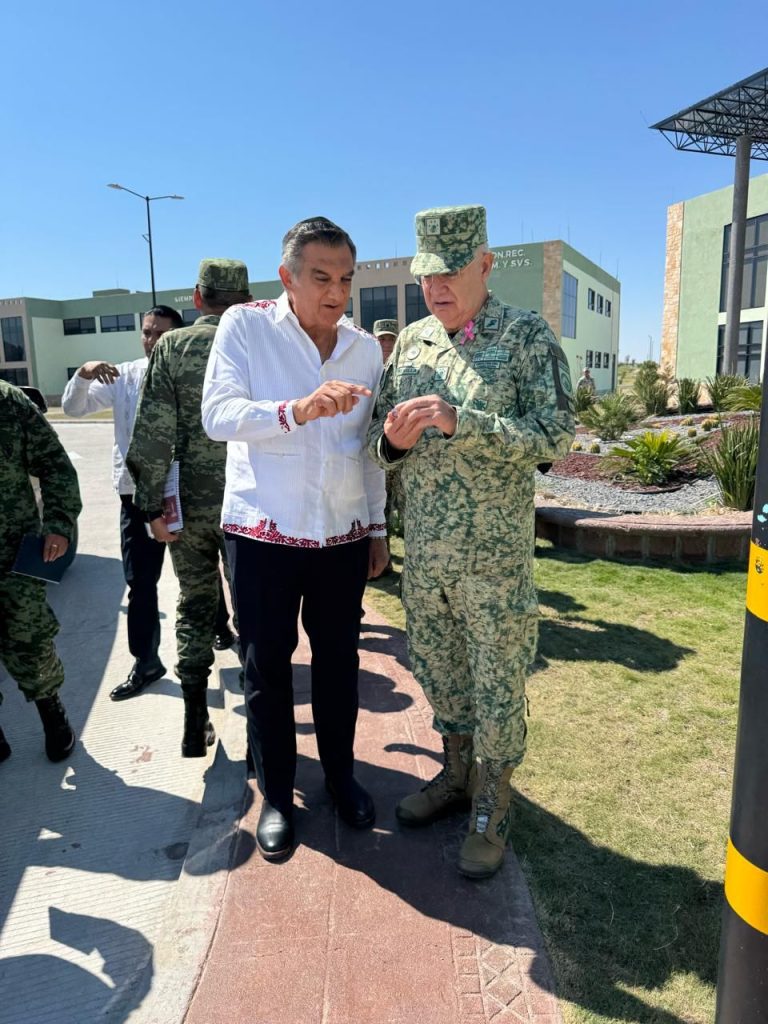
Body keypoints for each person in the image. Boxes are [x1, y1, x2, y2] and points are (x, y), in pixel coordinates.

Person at [368, 205, 575, 879]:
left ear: (484, 264)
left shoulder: (524, 336)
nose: (436, 288)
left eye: (450, 272)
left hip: (493, 564)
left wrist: (467, 422)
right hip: (426, 562)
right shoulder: (411, 343)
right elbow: (376, 443)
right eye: (426, 276)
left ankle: (493, 805)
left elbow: (555, 436)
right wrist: (393, 443)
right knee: (440, 672)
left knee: (497, 685)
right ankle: (456, 776)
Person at [202, 216, 388, 861]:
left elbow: (367, 450)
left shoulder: (364, 350)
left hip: (340, 534)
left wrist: (377, 527)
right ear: (287, 276)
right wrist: (297, 410)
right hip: (263, 534)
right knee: (266, 668)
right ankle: (278, 796)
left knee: (339, 665)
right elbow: (217, 415)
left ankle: (341, 777)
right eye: (320, 277)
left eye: (345, 279)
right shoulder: (246, 326)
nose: (335, 293)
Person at [62, 306, 236, 700]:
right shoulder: (124, 375)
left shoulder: (198, 371)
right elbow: (74, 408)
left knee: (203, 567)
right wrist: (84, 374)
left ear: (175, 336)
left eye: (159, 333)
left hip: (189, 494)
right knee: (140, 583)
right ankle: (146, 661)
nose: (151, 340)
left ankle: (220, 627)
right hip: (138, 496)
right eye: (146, 332)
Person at [127, 260, 252, 758]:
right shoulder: (259, 341)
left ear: (198, 298)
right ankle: (263, 737)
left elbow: (153, 433)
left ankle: (194, 719)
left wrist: (151, 507)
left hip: (191, 510)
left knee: (195, 606)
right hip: (251, 507)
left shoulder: (172, 347)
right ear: (246, 299)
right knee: (255, 611)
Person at [0, 380, 82, 762]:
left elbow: (54, 464)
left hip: (13, 553)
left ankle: (52, 713)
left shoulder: (8, 401)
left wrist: (60, 524)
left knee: (29, 638)